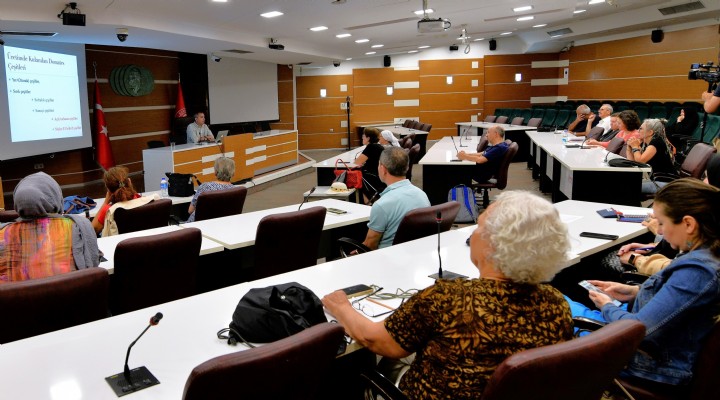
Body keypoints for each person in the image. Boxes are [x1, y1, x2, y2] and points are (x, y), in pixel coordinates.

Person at [323, 191, 573, 399]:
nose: (472, 234)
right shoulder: (556, 304)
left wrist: (341, 307)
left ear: (492, 246)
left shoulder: (447, 299)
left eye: (479, 226)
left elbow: (376, 340)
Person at [569, 178, 720, 391]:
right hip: (648, 344)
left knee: (546, 306)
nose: (660, 232)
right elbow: (680, 301)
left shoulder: (698, 271)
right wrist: (632, 292)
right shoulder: (704, 255)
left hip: (645, 363)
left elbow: (638, 331)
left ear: (688, 224)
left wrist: (607, 306)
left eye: (662, 223)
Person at [0, 172, 99, 282]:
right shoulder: (78, 226)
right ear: (56, 196)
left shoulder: (2, 234)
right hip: (72, 292)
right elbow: (94, 264)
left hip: (17, 293)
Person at [358, 147, 429, 250]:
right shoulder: (422, 195)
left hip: (387, 256)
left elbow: (370, 245)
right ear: (407, 167)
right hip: (416, 252)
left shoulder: (381, 205)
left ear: (383, 169)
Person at [92, 166, 159, 237]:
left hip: (120, 243)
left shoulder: (109, 210)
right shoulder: (145, 202)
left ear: (108, 190)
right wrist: (132, 191)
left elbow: (92, 231)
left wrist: (105, 202)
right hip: (145, 241)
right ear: (129, 182)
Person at [625, 118, 676, 194]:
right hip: (654, 179)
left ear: (650, 132)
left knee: (626, 185)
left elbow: (641, 161)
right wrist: (629, 148)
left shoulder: (656, 142)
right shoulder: (646, 143)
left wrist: (635, 147)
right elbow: (633, 163)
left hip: (665, 182)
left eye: (641, 129)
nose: (638, 131)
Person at [186, 157, 236, 222]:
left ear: (215, 172)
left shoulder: (205, 187)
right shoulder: (235, 190)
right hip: (222, 224)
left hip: (197, 225)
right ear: (233, 173)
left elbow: (190, 210)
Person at [355, 127, 386, 203]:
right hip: (378, 174)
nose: (362, 138)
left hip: (372, 176)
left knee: (356, 177)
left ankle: (367, 202)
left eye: (363, 136)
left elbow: (357, 162)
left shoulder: (371, 147)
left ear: (368, 138)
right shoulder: (378, 146)